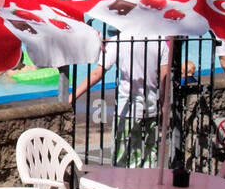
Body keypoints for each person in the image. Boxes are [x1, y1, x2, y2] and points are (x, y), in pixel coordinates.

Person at [73, 34, 172, 167]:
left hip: (126, 111)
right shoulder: (159, 41)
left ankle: (125, 186)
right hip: (151, 108)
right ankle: (146, 186)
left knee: (123, 160)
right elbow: (164, 78)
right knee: (150, 157)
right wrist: (164, 104)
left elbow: (97, 73)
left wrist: (72, 96)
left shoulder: (119, 41)